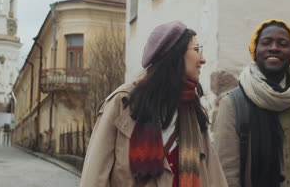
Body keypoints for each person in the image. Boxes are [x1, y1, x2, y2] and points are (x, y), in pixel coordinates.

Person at [80, 21, 228, 187]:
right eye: (196, 49)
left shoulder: (193, 112)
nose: (203, 59)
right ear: (176, 55)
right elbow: (93, 178)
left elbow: (214, 177)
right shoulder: (122, 104)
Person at [213, 19, 290, 187]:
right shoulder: (233, 103)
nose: (274, 48)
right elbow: (225, 174)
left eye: (282, 44)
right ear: (255, 50)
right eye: (266, 43)